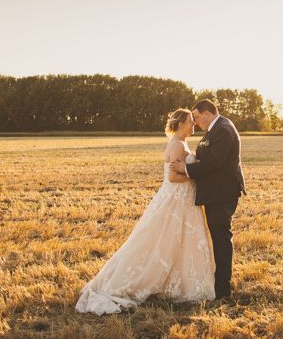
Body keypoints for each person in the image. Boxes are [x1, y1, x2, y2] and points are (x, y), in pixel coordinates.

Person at [75, 109, 215, 315]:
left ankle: (176, 282)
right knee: (162, 241)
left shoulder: (181, 143)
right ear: (180, 124)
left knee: (179, 241)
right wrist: (197, 177)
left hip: (184, 201)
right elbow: (173, 178)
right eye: (190, 122)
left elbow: (181, 172)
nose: (193, 124)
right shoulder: (176, 145)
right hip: (176, 200)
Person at [170, 99, 246, 300]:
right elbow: (207, 156)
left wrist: (186, 169)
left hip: (222, 193)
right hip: (215, 193)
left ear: (207, 113)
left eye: (195, 116)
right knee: (218, 238)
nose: (194, 121)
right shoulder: (214, 130)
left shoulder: (223, 129)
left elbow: (215, 162)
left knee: (221, 239)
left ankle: (223, 288)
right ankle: (218, 282)